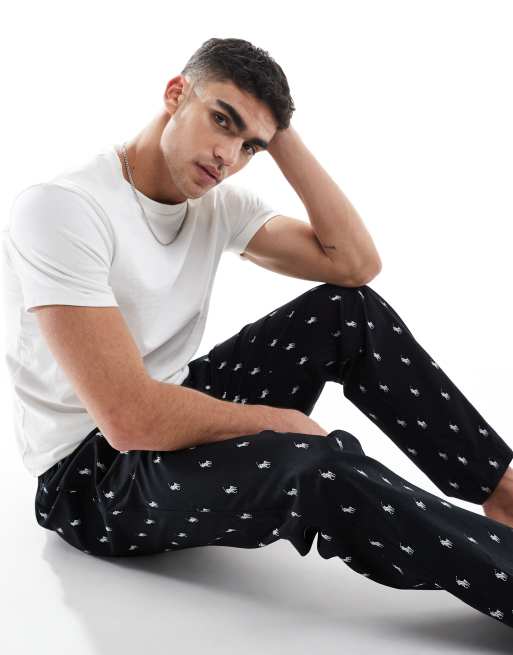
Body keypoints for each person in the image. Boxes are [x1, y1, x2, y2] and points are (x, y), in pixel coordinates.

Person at [3, 37, 513, 629]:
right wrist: (278, 422)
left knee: (347, 312)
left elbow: (354, 265)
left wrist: (280, 134)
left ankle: (504, 493)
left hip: (174, 406)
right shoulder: (64, 210)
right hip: (92, 480)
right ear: (175, 94)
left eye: (250, 146)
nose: (228, 155)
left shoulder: (217, 203)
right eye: (222, 120)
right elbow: (128, 419)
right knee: (315, 466)